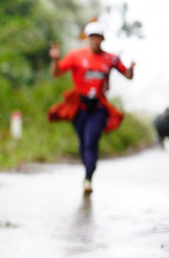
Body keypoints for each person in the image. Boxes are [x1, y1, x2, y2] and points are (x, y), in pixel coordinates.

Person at [47, 21, 135, 194]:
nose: (95, 40)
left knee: (91, 141)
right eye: (92, 37)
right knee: (83, 143)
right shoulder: (76, 55)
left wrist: (131, 69)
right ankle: (88, 169)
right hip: (79, 107)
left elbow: (127, 75)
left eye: (98, 37)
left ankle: (88, 178)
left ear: (102, 39)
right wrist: (55, 60)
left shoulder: (111, 58)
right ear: (87, 38)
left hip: (99, 108)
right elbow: (56, 73)